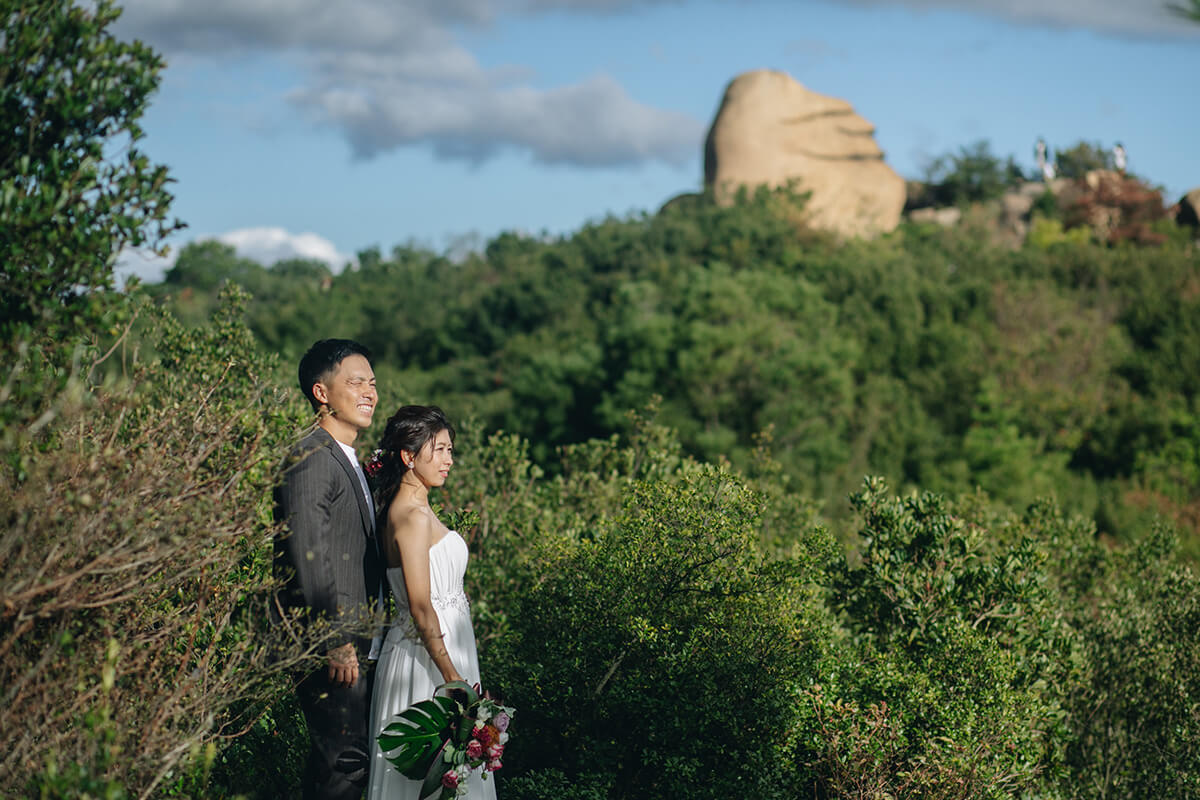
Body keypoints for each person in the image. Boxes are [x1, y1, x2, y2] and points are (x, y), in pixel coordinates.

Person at [366, 406, 497, 800]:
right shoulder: (410, 516)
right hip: (426, 662)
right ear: (409, 456)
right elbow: (421, 606)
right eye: (439, 450)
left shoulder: (419, 510)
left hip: (445, 650)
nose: (448, 460)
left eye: (450, 450)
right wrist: (453, 678)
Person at [274, 339, 383, 800]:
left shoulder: (349, 458)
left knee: (345, 767)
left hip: (363, 641)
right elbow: (308, 552)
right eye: (356, 381)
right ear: (321, 392)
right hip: (334, 644)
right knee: (343, 769)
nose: (370, 393)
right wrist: (334, 639)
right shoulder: (312, 456)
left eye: (373, 383)